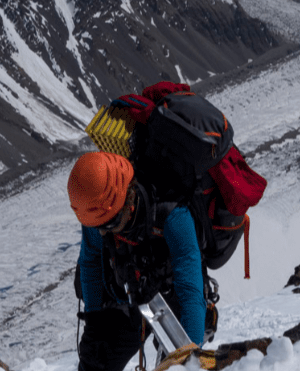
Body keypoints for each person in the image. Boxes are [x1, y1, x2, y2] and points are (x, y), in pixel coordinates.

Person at [69, 150, 207, 371]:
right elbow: (91, 261)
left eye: (109, 225)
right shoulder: (99, 211)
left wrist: (189, 360)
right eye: (97, 227)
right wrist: (95, 320)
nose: (102, 233)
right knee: (95, 361)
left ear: (127, 201)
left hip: (173, 295)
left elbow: (190, 290)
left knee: (177, 362)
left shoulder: (172, 215)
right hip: (124, 292)